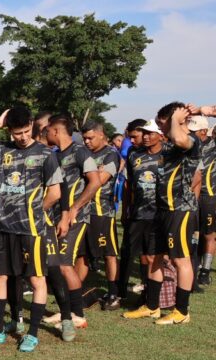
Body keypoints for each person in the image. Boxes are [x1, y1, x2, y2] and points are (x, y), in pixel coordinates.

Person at [0, 107, 63, 352]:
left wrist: (36, 211)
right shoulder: (2, 150)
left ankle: (32, 334)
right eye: (17, 132)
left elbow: (55, 192)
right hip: (1, 227)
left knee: (36, 279)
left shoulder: (45, 154)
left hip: (30, 229)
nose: (22, 136)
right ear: (10, 131)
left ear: (32, 125)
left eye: (26, 131)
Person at [125, 103, 200, 324]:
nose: (158, 126)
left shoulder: (189, 143)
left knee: (180, 260)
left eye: (161, 122)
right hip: (161, 210)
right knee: (155, 258)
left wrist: (177, 118)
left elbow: (179, 139)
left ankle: (182, 311)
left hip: (181, 210)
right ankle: (151, 306)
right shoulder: (167, 145)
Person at [45, 115, 101, 334]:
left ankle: (78, 315)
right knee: (57, 264)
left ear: (56, 131)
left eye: (48, 130)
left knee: (64, 264)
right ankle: (65, 310)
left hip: (75, 219)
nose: (46, 134)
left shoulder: (80, 152)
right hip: (58, 217)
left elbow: (95, 182)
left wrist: (75, 209)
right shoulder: (56, 155)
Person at [117, 120, 163, 302]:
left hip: (158, 215)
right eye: (143, 133)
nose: (145, 137)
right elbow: (129, 185)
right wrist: (125, 208)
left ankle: (148, 292)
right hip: (137, 213)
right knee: (128, 252)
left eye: (149, 133)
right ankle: (120, 292)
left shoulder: (168, 154)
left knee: (150, 256)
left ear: (160, 135)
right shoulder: (133, 153)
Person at [82, 122, 122, 309]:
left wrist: (90, 174)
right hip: (83, 211)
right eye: (84, 138)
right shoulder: (84, 152)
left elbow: (99, 180)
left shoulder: (111, 154)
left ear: (101, 135)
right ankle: (80, 292)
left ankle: (113, 293)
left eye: (90, 138)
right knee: (82, 253)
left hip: (102, 212)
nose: (87, 141)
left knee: (109, 254)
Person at [194, 116, 216, 286]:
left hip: (209, 196)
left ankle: (205, 271)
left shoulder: (213, 145)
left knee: (209, 234)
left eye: (194, 131)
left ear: (203, 131)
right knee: (194, 233)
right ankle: (194, 265)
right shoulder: (189, 144)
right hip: (189, 195)